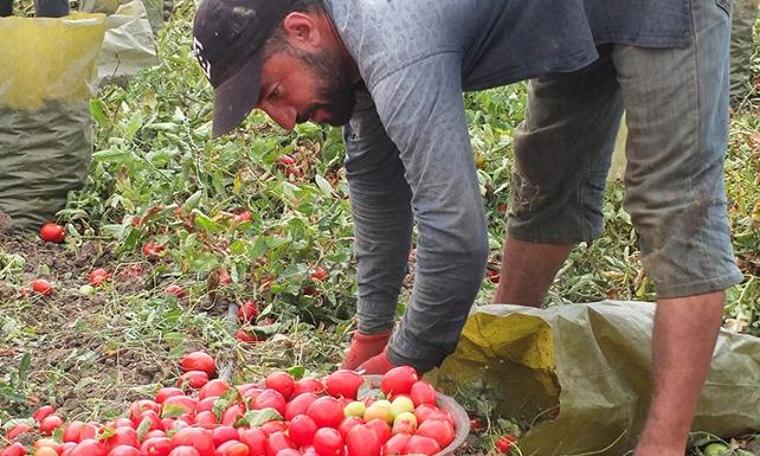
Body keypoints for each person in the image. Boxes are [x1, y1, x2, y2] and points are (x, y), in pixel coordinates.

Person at [192, 0, 743, 452]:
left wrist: (406, 362)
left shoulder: (391, 34)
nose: (284, 120)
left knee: (673, 203)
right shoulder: (342, 50)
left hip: (667, 9)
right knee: (547, 179)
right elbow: (378, 186)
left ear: (302, 29)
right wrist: (373, 334)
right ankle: (506, 354)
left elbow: (456, 235)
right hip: (577, 16)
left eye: (273, 93)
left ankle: (663, 443)